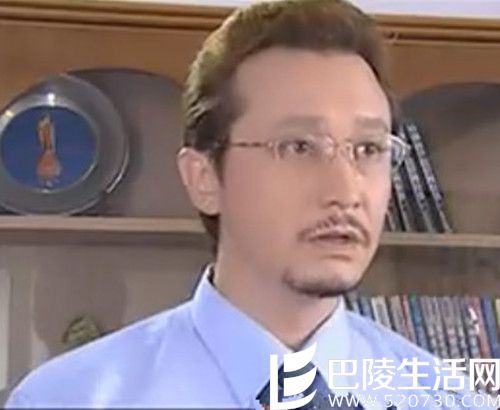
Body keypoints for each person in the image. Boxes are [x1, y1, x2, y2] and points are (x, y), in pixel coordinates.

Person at [5, 0, 496, 409]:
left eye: (368, 149)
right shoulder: (71, 400)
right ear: (203, 178)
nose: (346, 190)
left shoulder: (446, 400)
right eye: (298, 147)